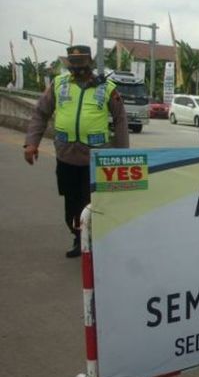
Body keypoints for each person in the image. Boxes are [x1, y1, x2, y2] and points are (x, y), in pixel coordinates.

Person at [24, 45, 129, 258]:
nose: (77, 71)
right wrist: (31, 143)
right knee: (71, 203)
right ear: (69, 66)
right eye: (74, 66)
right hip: (66, 156)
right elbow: (40, 113)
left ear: (89, 65)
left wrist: (121, 155)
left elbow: (120, 121)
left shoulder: (107, 88)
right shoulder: (59, 84)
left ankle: (94, 242)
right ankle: (78, 237)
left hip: (95, 159)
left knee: (93, 204)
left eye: (81, 66)